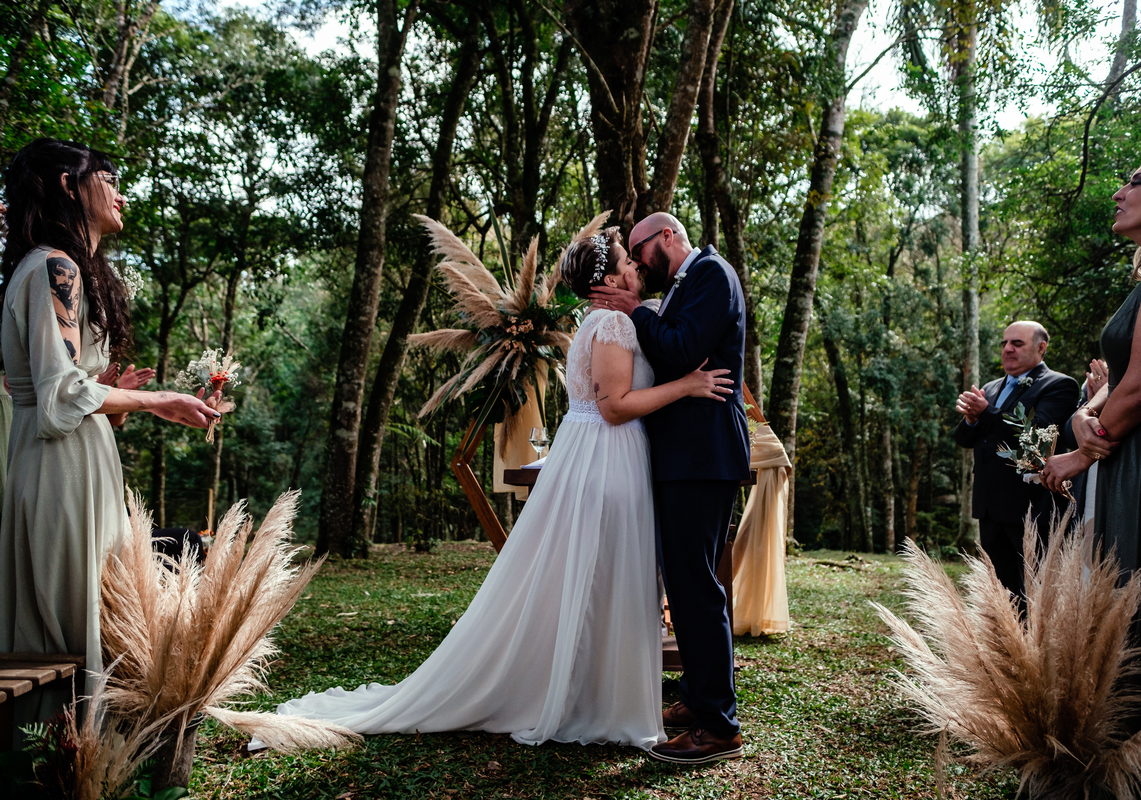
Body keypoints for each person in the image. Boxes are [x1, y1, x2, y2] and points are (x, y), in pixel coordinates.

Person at [258, 227, 734, 751]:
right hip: (610, 460)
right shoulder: (614, 322)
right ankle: (607, 697)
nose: (637, 270)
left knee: (619, 580)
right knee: (614, 579)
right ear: (607, 279)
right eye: (629, 262)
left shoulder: (619, 314)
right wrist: (687, 385)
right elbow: (613, 405)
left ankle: (630, 693)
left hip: (622, 458)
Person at [0, 138, 221, 731]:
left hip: (71, 465)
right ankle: (66, 771)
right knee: (75, 629)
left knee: (89, 622)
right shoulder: (55, 266)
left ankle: (81, 768)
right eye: (107, 177)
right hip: (59, 474)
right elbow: (59, 398)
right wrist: (155, 401)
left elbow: (65, 390)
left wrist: (112, 401)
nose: (121, 191)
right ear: (70, 187)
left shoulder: (55, 267)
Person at [1042, 149, 1141, 781]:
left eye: (1136, 182)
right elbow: (1124, 381)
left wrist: (1083, 451)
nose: (1118, 193)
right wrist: (1087, 412)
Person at [591, 211, 751, 765]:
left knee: (695, 586)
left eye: (640, 253)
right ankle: (697, 698)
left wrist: (636, 311)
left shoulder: (711, 274)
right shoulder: (688, 283)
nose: (635, 265)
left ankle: (718, 726)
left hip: (702, 454)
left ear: (666, 237)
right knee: (685, 584)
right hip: (685, 455)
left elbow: (682, 351)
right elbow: (675, 351)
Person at [953, 321, 1077, 600]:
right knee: (1001, 590)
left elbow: (1036, 436)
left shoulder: (1059, 385)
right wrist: (972, 420)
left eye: (1017, 343)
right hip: (990, 507)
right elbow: (964, 439)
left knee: (1036, 588)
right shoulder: (991, 387)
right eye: (1005, 343)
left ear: (1041, 348)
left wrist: (985, 413)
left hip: (1031, 507)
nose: (1007, 349)